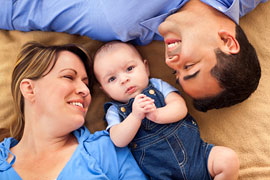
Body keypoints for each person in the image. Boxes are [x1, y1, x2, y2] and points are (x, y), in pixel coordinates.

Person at [0, 0, 267, 111]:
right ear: (227, 41)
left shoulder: (118, 24)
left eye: (177, 74)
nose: (170, 62)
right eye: (190, 66)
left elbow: (25, 9)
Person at [0, 42, 147, 180]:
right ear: (30, 89)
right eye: (68, 76)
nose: (85, 90)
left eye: (86, 84)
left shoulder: (107, 149)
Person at [93, 41, 239, 180]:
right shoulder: (114, 110)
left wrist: (157, 114)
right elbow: (118, 140)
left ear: (146, 68)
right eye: (112, 79)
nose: (124, 79)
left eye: (129, 69)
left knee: (228, 159)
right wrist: (135, 116)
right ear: (104, 90)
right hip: (161, 175)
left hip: (199, 157)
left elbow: (180, 108)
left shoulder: (158, 86)